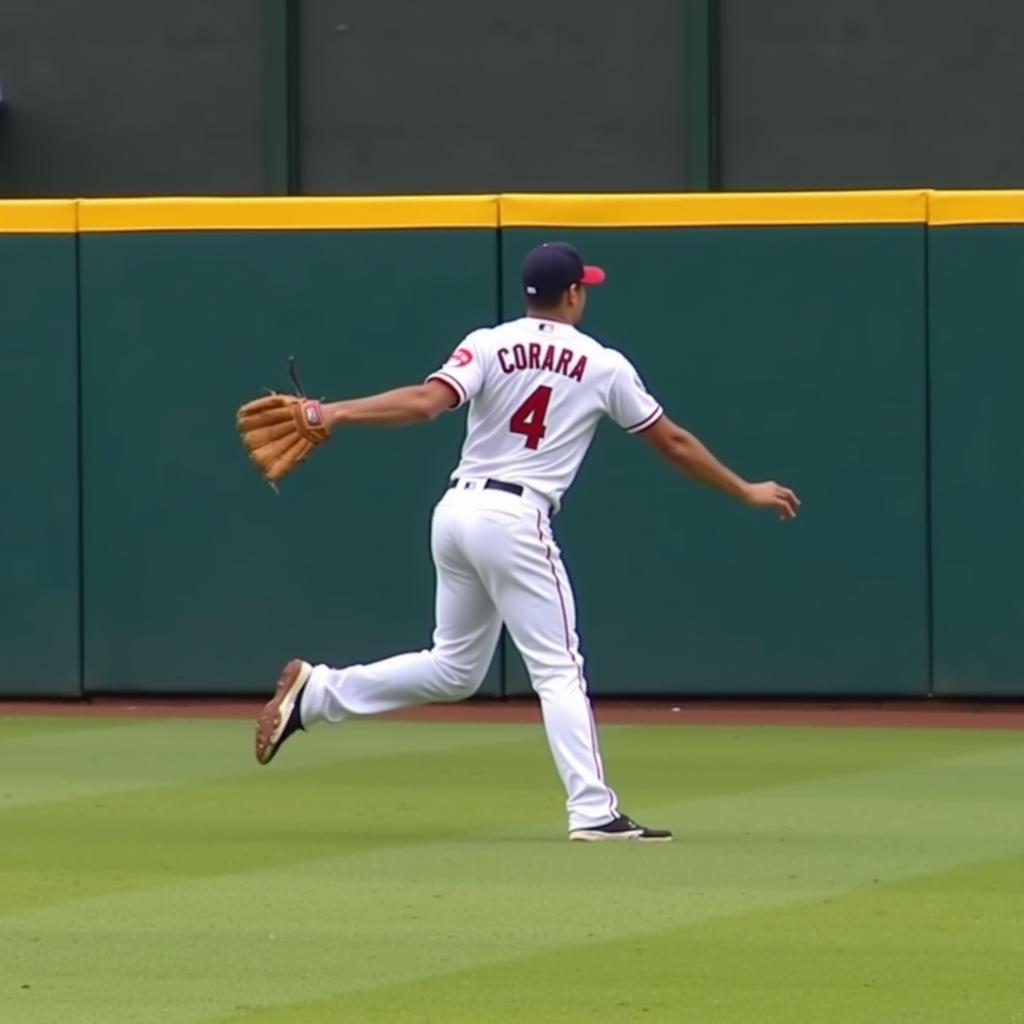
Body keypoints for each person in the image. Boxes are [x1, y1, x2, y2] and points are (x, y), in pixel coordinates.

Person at [254, 241, 800, 842]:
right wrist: (744, 489)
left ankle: (319, 692)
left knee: (455, 669)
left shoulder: (487, 342)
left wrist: (332, 414)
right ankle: (593, 810)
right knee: (559, 669)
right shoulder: (602, 364)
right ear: (573, 293)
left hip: (456, 510)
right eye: (584, 286)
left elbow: (425, 403)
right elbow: (671, 442)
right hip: (515, 518)